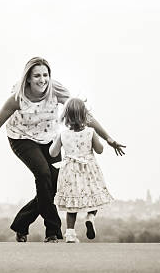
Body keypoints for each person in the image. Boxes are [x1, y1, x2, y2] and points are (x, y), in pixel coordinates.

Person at [0, 57, 125, 243]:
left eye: (45, 75)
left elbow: (85, 115)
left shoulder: (56, 91)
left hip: (49, 138)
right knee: (43, 175)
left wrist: (109, 138)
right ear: (28, 78)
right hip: (21, 138)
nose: (42, 79)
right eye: (37, 76)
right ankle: (52, 232)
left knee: (54, 185)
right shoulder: (17, 99)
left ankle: (21, 224)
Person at [49, 98, 115, 243]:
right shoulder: (91, 132)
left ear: (66, 115)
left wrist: (56, 141)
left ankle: (70, 234)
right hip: (88, 170)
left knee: (71, 205)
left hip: (70, 172)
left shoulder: (63, 134)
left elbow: (52, 153)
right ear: (84, 115)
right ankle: (90, 217)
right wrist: (97, 143)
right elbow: (100, 150)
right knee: (94, 197)